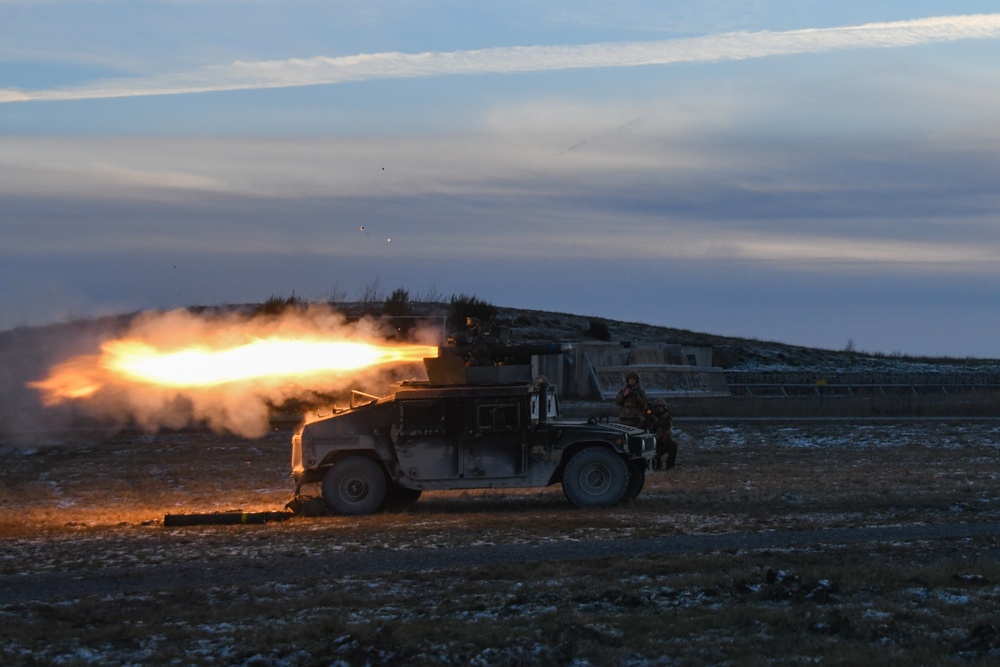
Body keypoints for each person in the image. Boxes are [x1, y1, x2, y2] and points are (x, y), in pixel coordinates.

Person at [645, 397, 676, 470]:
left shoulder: (667, 416)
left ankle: (670, 466)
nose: (659, 409)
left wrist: (655, 420)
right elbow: (648, 427)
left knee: (673, 445)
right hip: (655, 443)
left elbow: (666, 425)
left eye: (661, 407)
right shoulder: (651, 417)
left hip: (665, 442)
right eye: (657, 407)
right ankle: (657, 465)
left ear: (664, 407)